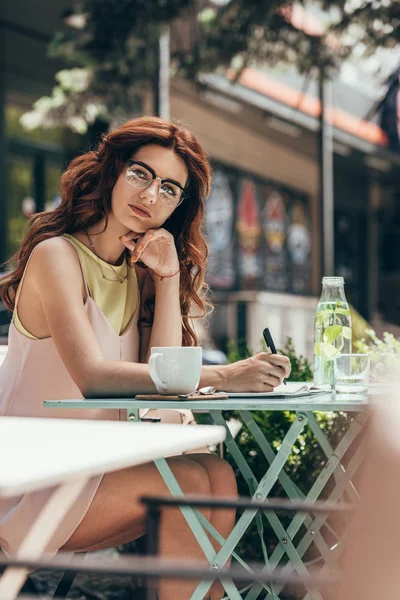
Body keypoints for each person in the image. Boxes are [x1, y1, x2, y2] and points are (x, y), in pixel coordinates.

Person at [0, 116, 290, 599]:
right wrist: (226, 375)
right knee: (188, 487)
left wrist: (169, 274)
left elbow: (168, 386)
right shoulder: (56, 256)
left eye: (170, 189)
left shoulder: (136, 274)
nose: (151, 195)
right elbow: (93, 377)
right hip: (30, 482)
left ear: (178, 207)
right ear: (112, 171)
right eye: (141, 174)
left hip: (92, 472)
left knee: (216, 473)